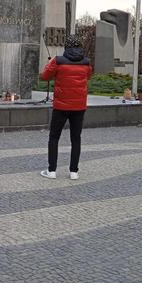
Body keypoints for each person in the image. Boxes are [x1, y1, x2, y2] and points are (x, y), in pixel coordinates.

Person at [39, 34, 92, 180]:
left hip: (61, 106)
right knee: (76, 138)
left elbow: (44, 76)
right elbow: (88, 76)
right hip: (79, 107)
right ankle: (74, 172)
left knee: (54, 137)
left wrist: (49, 65)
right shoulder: (86, 62)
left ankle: (52, 171)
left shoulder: (58, 60)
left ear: (66, 46)